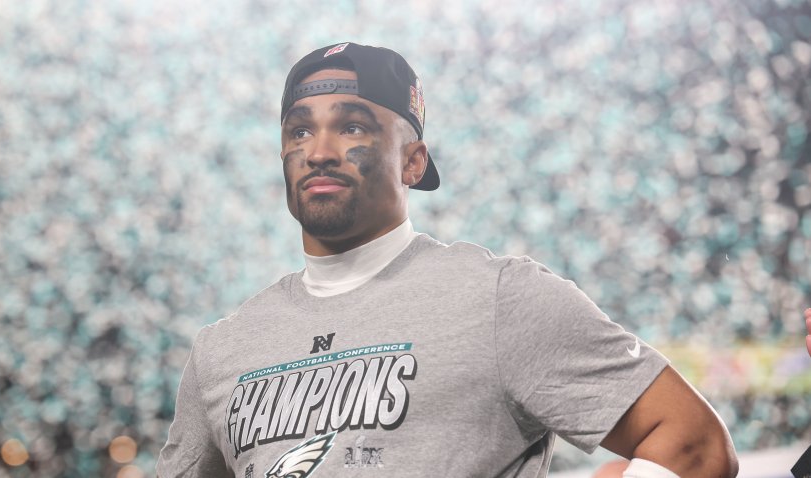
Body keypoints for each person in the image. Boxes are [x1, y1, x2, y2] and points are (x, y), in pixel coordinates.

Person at [156, 42, 738, 478]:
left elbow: (695, 445)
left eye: (353, 126)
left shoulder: (500, 298)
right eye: (299, 131)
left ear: (413, 161)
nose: (320, 152)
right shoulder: (221, 349)